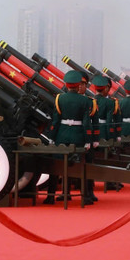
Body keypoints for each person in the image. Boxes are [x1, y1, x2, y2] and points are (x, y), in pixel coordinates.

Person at [44, 70, 98, 205]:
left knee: (56, 167)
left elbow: (56, 121)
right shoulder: (85, 100)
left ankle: (50, 196)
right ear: (78, 84)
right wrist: (88, 140)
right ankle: (85, 197)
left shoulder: (59, 98)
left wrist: (51, 137)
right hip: (78, 137)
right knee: (81, 167)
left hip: (61, 136)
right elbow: (86, 123)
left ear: (66, 84)